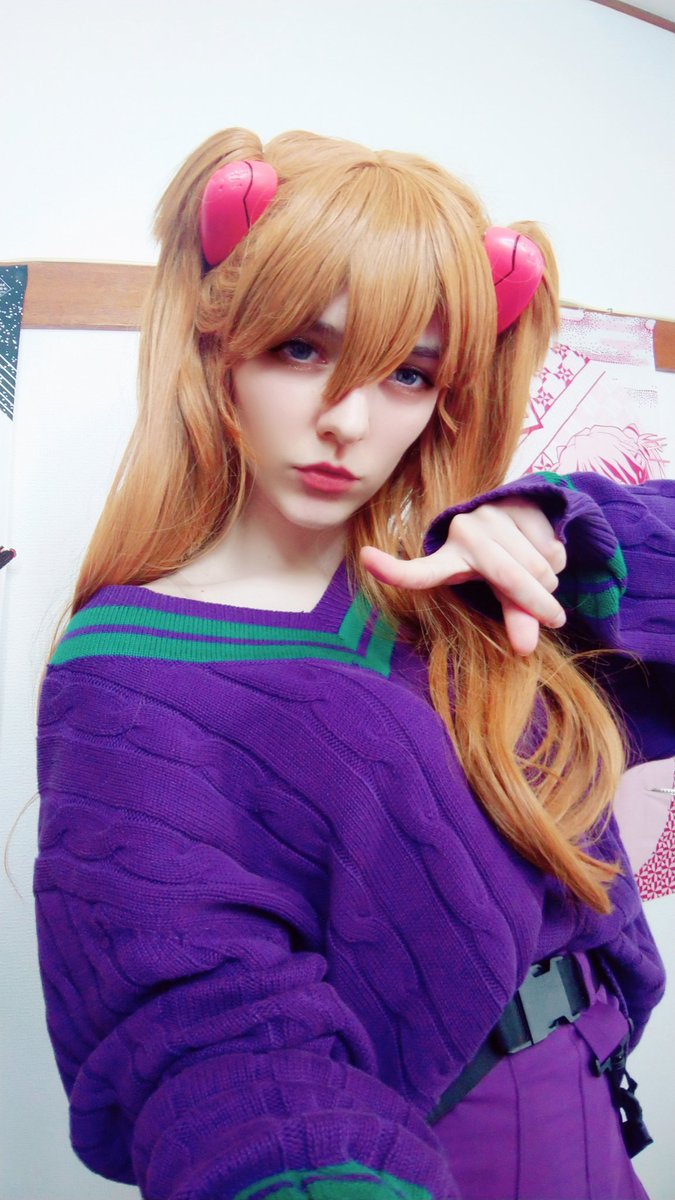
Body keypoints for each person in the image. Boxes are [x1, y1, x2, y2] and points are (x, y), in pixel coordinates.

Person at [34, 128, 674, 1200]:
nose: (347, 419)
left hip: (594, 1108)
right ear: (219, 346)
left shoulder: (472, 592)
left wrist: (561, 525)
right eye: (301, 349)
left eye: (408, 373)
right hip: (425, 1149)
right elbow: (203, 1034)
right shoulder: (127, 668)